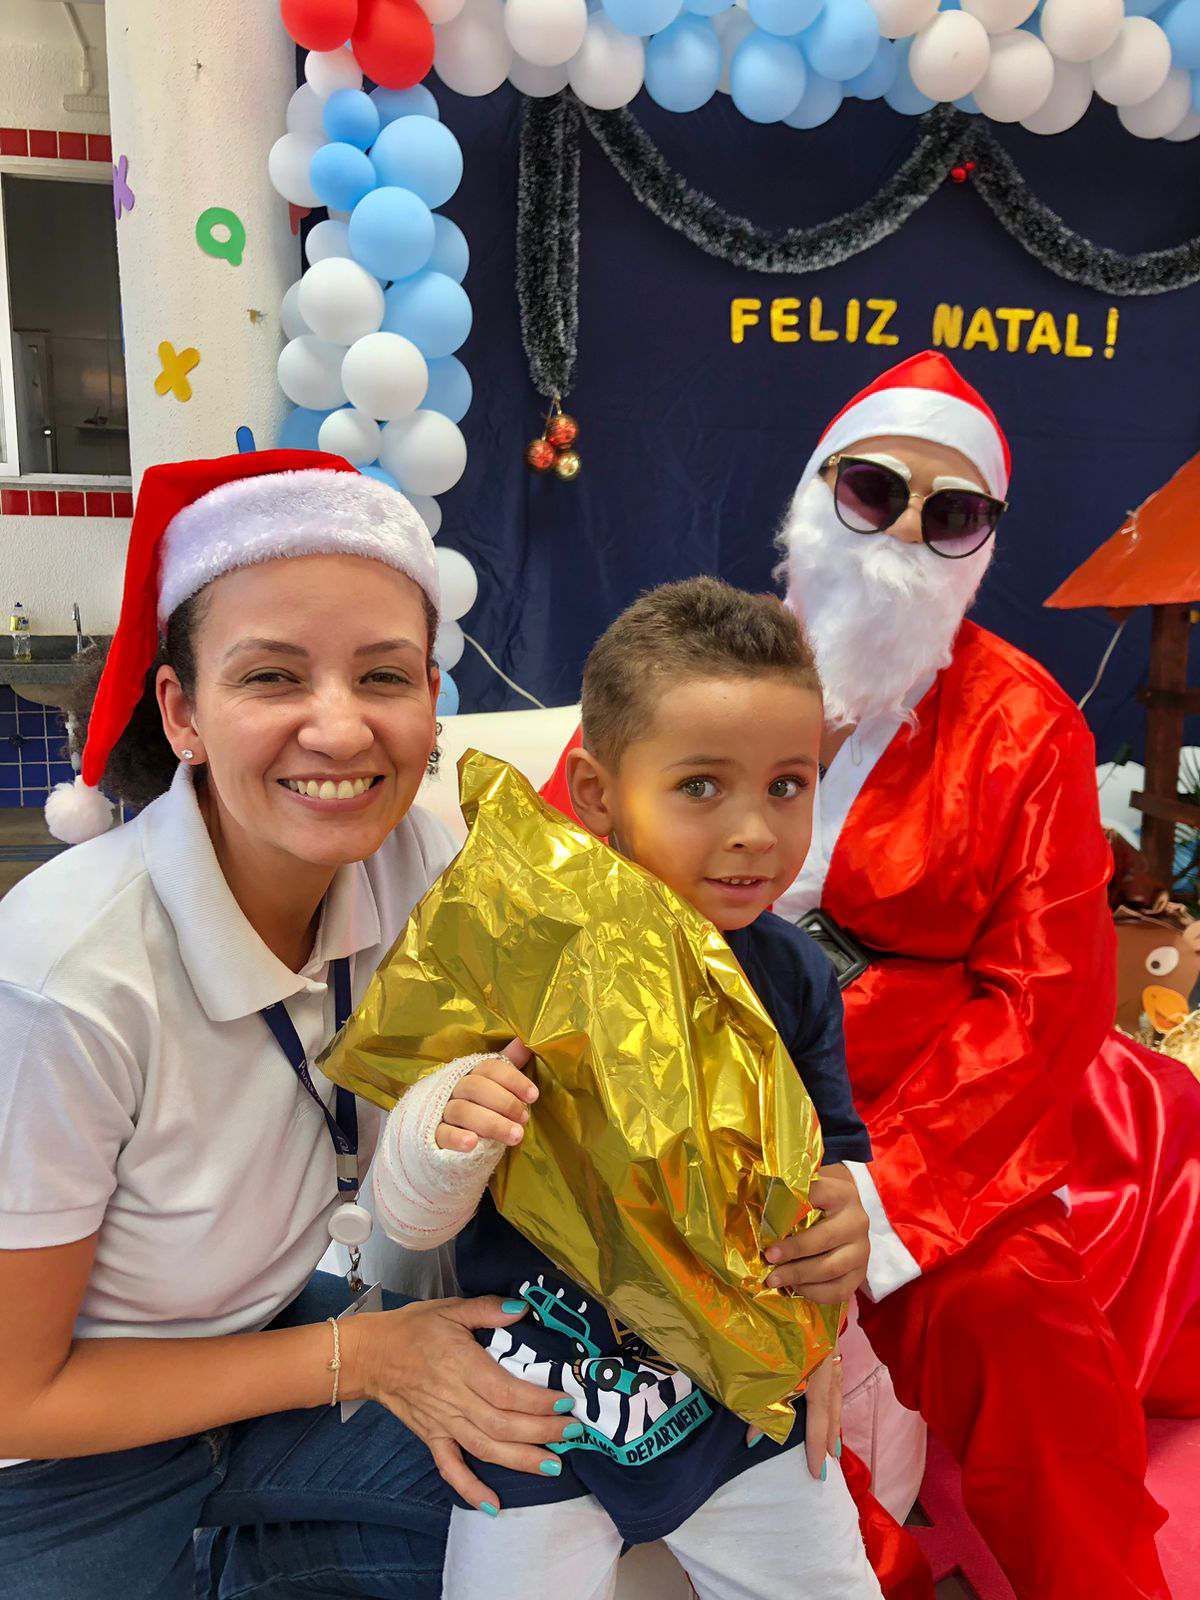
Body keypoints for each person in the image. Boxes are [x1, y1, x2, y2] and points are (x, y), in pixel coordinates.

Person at [540, 352, 1193, 1600]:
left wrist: (883, 1196)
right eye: (874, 490)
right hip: (688, 1091)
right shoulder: (688, 672)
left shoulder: (1027, 724)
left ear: (985, 543)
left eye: (952, 513)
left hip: (923, 1116)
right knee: (715, 1354)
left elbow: (1045, 998)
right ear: (813, 492)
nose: (902, 531)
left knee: (1027, 1329)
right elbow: (561, 879)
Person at [0, 449, 582, 1600]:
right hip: (62, 1450)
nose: (340, 730)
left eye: (383, 675)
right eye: (273, 676)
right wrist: (357, 1354)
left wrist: (807, 1208)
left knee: (561, 1476)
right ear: (183, 712)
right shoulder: (65, 980)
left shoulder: (425, 862)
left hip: (265, 1330)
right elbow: (19, 1394)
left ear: (431, 696)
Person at [372, 577, 882, 1600]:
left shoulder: (795, 972)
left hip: (742, 1397)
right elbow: (410, 1214)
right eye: (701, 786)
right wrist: (445, 1128)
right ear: (598, 794)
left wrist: (847, 1230)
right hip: (534, 1402)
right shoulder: (522, 949)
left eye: (789, 785)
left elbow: (838, 1156)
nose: (754, 830)